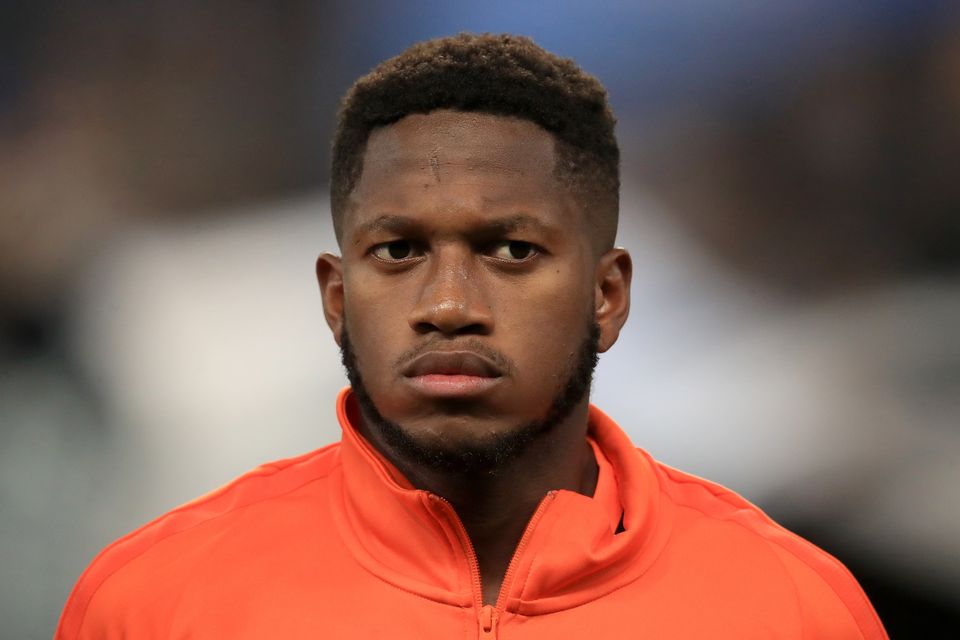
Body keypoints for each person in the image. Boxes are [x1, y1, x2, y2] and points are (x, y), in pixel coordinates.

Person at [56, 33, 888, 639]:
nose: (449, 304)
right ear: (335, 296)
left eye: (511, 252)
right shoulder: (151, 589)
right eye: (400, 253)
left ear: (609, 295)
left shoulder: (793, 599)